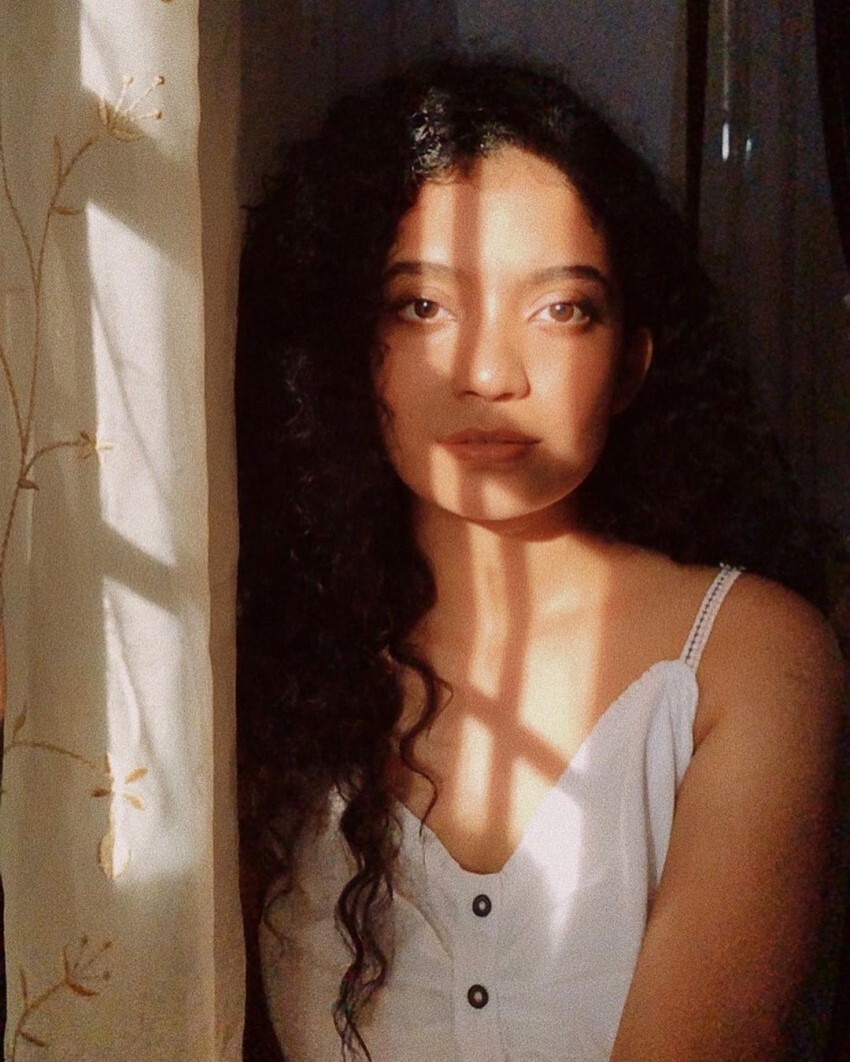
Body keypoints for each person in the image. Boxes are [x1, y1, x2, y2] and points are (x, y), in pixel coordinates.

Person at [235, 56, 845, 1062]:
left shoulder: (747, 658)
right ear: (348, 344)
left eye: (561, 308)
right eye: (421, 306)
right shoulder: (274, 662)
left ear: (632, 360)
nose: (488, 373)